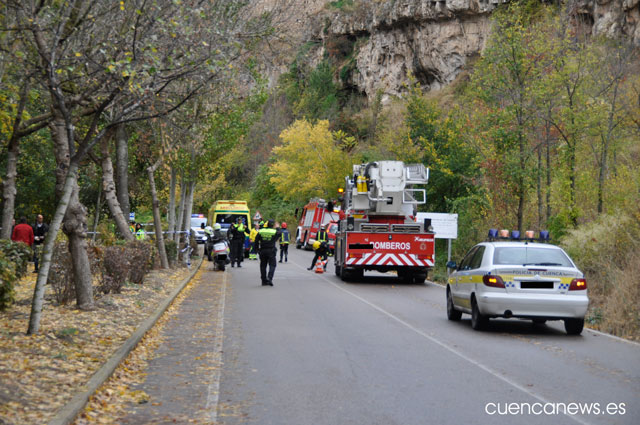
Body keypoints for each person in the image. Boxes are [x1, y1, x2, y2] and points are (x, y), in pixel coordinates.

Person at [255, 219, 280, 286]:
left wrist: (257, 250)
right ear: (273, 225)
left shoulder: (261, 231)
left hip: (262, 250)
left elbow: (256, 241)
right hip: (271, 250)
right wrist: (277, 227)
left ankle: (263, 281)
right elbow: (279, 233)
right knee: (272, 265)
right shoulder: (274, 231)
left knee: (263, 266)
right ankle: (269, 278)